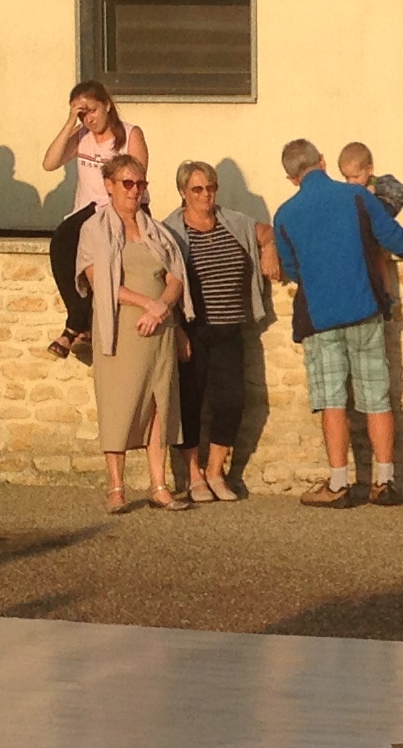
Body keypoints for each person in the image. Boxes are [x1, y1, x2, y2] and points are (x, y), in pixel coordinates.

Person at [272, 135, 403, 506]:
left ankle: (338, 484)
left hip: (320, 317)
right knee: (376, 396)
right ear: (322, 161)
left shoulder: (284, 215)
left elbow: (292, 269)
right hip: (364, 307)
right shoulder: (357, 197)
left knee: (331, 401)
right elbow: (397, 241)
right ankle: (385, 480)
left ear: (291, 178)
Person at [75, 152, 185, 513]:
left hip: (159, 329)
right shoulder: (94, 229)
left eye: (140, 183)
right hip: (121, 327)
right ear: (109, 185)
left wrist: (162, 307)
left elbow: (175, 276)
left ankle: (159, 485)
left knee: (159, 404)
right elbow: (99, 282)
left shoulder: (157, 231)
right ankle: (116, 486)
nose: (135, 190)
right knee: (118, 404)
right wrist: (146, 304)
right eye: (127, 183)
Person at [169, 160, 273, 502]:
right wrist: (178, 330)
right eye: (197, 189)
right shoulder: (171, 231)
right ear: (183, 192)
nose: (205, 195)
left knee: (231, 403)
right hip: (193, 329)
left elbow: (266, 231)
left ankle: (215, 471)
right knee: (190, 404)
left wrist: (270, 249)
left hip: (230, 329)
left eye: (210, 187)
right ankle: (193, 475)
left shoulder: (233, 222)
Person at [42, 82, 144, 361]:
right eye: (82, 113)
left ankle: (74, 325)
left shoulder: (130, 134)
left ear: (107, 105)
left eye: (92, 111)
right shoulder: (82, 136)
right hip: (86, 213)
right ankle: (80, 322)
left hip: (117, 210)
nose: (89, 119)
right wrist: (69, 124)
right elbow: (49, 163)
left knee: (74, 241)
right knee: (62, 242)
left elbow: (137, 180)